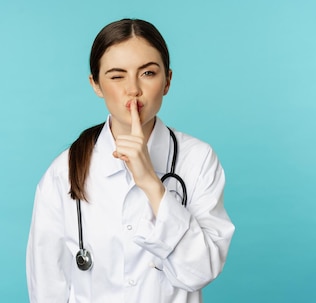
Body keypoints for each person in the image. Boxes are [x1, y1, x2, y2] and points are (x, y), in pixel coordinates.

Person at [26, 18, 235, 302]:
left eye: (148, 73)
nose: (133, 89)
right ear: (96, 84)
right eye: (116, 76)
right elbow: (47, 286)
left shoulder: (198, 159)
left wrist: (150, 182)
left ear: (167, 81)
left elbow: (200, 271)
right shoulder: (62, 171)